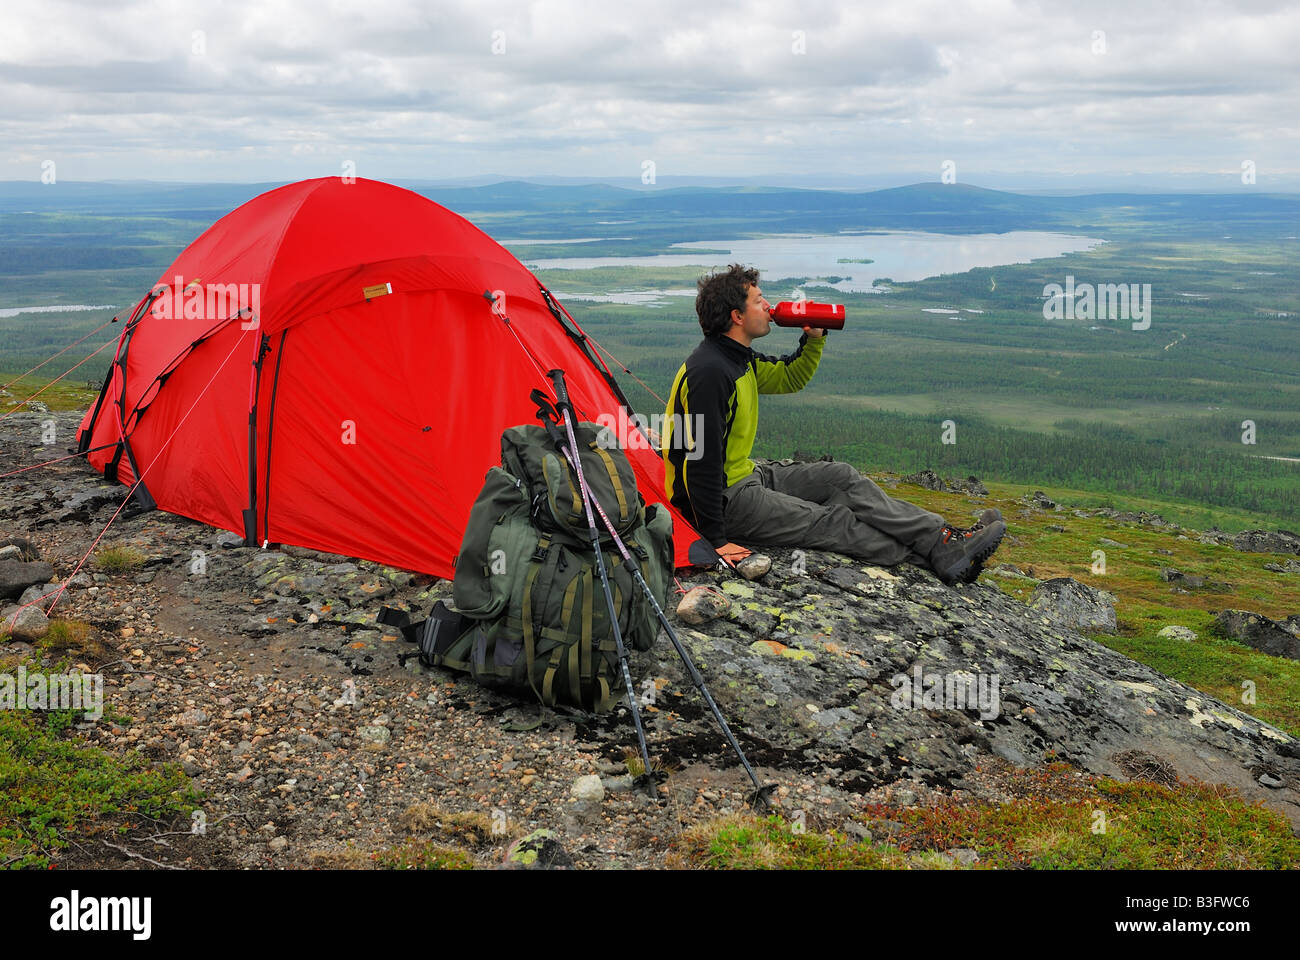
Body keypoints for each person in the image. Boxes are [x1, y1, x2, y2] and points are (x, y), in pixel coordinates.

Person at [661, 263, 1005, 585]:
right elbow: (700, 462)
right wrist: (714, 539)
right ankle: (930, 559)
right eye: (758, 299)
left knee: (840, 478)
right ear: (737, 316)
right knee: (833, 520)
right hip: (724, 502)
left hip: (745, 478)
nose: (768, 305)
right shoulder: (710, 373)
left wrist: (813, 339)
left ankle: (942, 538)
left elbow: (788, 377)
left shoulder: (736, 358)